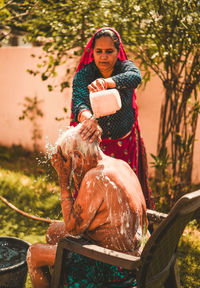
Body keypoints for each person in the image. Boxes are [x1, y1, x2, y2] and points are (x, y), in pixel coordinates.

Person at [27, 124, 149, 288]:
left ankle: (66, 276)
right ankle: (61, 280)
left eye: (68, 163)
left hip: (114, 265)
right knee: (52, 232)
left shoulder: (95, 178)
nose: (69, 170)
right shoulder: (120, 164)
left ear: (77, 155)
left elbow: (72, 227)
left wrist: (64, 182)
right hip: (132, 254)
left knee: (33, 254)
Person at [70, 27, 154, 209]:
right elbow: (78, 102)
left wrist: (107, 83)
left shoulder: (125, 69)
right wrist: (88, 120)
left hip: (125, 145)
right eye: (99, 51)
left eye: (109, 51)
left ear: (118, 51)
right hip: (95, 147)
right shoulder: (84, 75)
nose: (103, 57)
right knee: (94, 195)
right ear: (92, 52)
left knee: (126, 194)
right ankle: (91, 233)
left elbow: (135, 77)